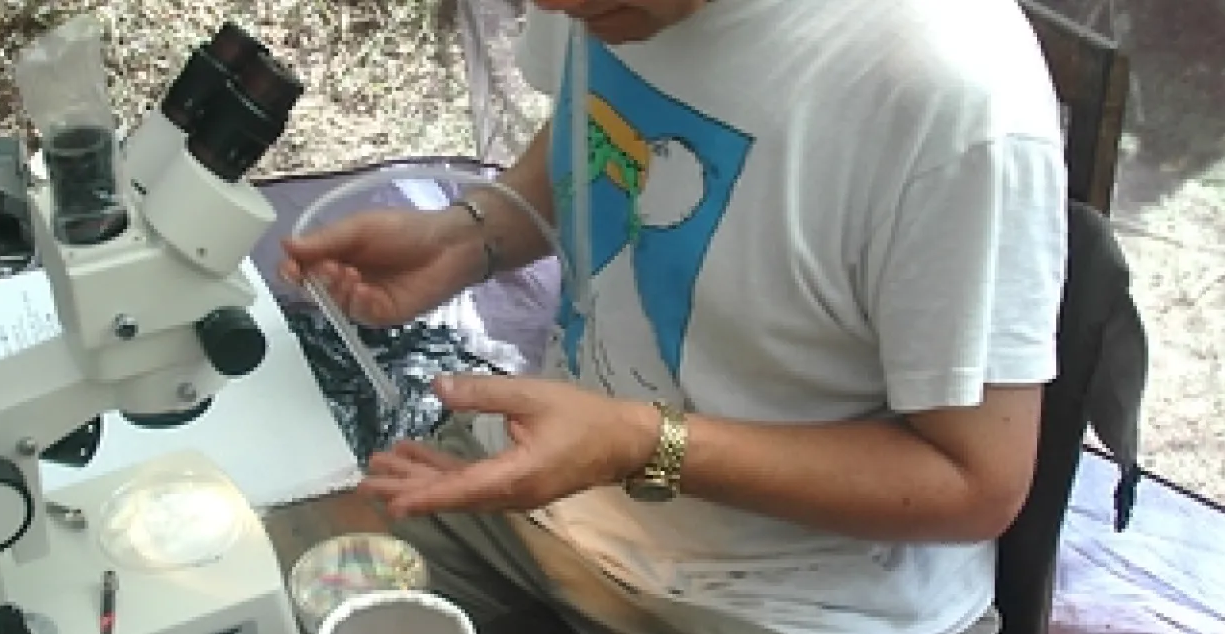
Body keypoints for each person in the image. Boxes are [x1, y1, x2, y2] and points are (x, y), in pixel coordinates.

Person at [278, 1, 1069, 633]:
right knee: (226, 596)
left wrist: (639, 445)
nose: (556, 6)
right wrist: (468, 237)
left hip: (789, 606)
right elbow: (602, 124)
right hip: (538, 506)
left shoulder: (953, 92)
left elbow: (978, 483)